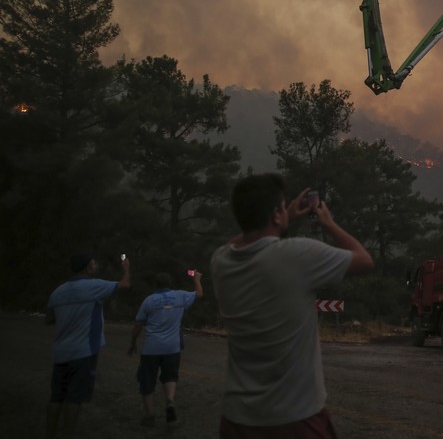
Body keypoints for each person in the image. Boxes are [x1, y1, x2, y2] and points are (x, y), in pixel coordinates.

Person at [212, 173, 374, 438]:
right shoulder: (297, 254)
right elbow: (364, 260)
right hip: (294, 418)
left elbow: (235, 243)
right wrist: (329, 224)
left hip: (236, 418)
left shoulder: (220, 262)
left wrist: (281, 215)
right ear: (276, 215)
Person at [46, 252, 131, 438]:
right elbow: (125, 284)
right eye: (93, 263)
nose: (96, 265)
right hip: (83, 352)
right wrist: (126, 268)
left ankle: (50, 433)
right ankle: (68, 434)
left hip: (61, 351)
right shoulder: (94, 286)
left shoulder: (58, 292)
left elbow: (49, 319)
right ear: (87, 267)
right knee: (74, 398)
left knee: (57, 396)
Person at [128, 270, 204, 427]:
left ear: (156, 285)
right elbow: (199, 294)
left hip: (151, 348)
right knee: (170, 377)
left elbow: (138, 325)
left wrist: (132, 342)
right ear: (170, 284)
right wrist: (196, 278)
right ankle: (170, 400)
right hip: (172, 347)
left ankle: (150, 415)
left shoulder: (149, 300)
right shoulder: (180, 296)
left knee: (147, 380)